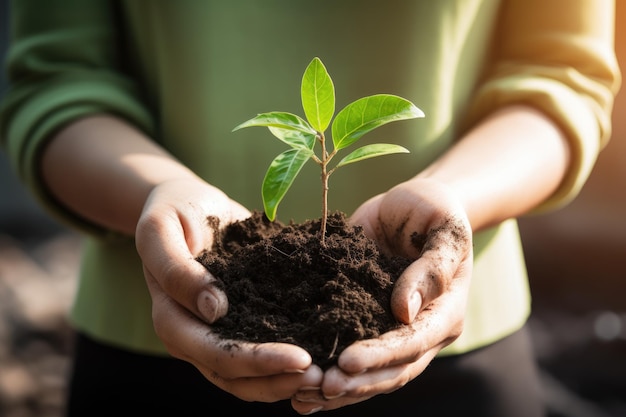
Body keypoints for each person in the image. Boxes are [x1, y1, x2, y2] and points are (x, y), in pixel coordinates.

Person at [0, 1, 620, 415]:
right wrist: (155, 194)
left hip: (455, 353)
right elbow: (53, 83)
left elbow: (563, 76)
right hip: (155, 350)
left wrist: (454, 198)